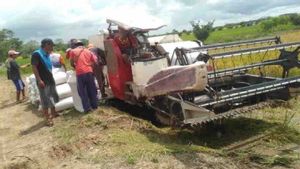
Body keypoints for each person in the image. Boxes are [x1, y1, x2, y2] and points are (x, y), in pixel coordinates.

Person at [31, 38, 59, 126]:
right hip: (43, 81)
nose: (52, 48)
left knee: (52, 96)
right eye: (51, 45)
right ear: (47, 45)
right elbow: (34, 67)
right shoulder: (37, 54)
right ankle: (47, 119)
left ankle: (54, 113)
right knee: (45, 99)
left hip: (50, 79)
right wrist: (39, 80)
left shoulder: (47, 54)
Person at [69, 39, 98, 112]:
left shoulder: (72, 51)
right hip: (89, 71)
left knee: (83, 91)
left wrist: (76, 67)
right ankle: (95, 106)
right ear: (82, 44)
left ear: (75, 45)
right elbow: (95, 61)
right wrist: (91, 68)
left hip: (80, 73)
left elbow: (71, 63)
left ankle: (87, 108)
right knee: (92, 89)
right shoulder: (88, 51)